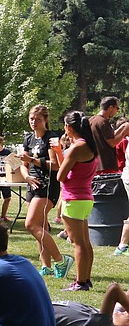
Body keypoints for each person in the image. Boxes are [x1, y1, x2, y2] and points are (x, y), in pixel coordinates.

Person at [20, 104, 68, 276]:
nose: (34, 122)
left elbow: (56, 165)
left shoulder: (52, 138)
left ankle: (61, 260)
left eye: (38, 119)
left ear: (45, 120)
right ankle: (46, 266)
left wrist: (33, 160)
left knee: (31, 224)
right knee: (41, 226)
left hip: (46, 185)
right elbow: (22, 165)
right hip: (31, 185)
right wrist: (26, 176)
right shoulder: (28, 139)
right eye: (31, 118)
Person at [58, 110, 99, 291]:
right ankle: (85, 279)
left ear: (68, 127)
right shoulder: (90, 145)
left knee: (78, 243)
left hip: (73, 198)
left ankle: (80, 282)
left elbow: (60, 175)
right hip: (86, 198)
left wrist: (59, 153)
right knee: (85, 242)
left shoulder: (76, 148)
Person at [54, 282, 129, 326]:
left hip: (43, 313)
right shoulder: (105, 316)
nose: (123, 312)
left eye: (126, 314)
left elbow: (114, 288)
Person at [87, 96, 129, 172]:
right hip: (106, 166)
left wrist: (120, 128)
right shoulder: (103, 122)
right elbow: (112, 143)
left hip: (94, 166)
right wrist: (125, 131)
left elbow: (108, 135)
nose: (117, 111)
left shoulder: (91, 120)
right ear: (110, 107)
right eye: (117, 108)